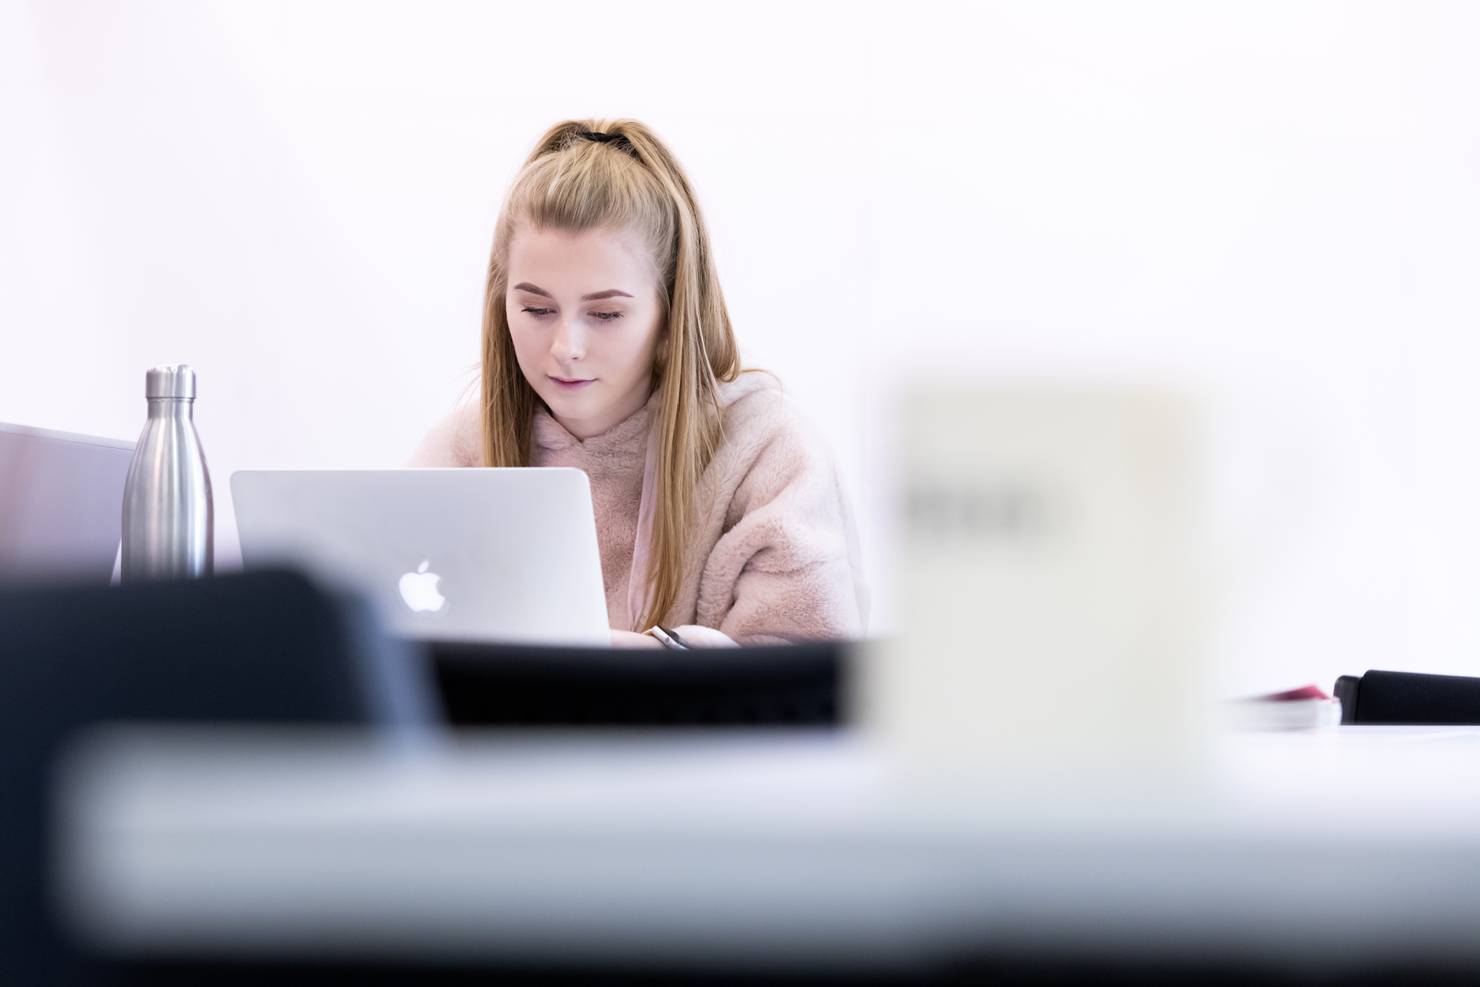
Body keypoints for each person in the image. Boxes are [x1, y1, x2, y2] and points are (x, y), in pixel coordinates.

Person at [409, 119, 867, 648]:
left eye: (605, 314)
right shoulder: (460, 453)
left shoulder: (767, 452)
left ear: (671, 315)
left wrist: (645, 655)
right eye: (536, 308)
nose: (566, 347)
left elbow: (805, 677)